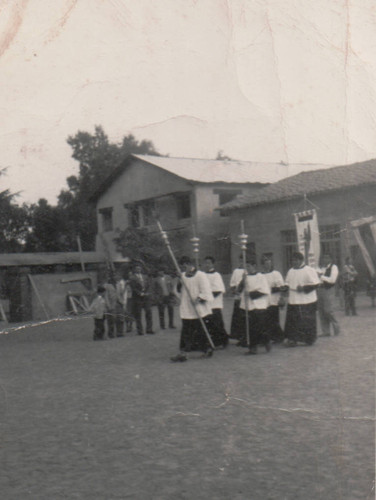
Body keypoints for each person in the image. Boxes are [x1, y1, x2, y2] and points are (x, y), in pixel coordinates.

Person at [170, 256, 214, 362]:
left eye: (185, 266)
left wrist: (199, 299)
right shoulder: (183, 276)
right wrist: (176, 282)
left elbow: (207, 291)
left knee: (201, 330)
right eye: (182, 267)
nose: (184, 268)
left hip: (198, 308)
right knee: (186, 330)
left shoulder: (200, 275)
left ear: (190, 264)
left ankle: (207, 349)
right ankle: (183, 353)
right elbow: (178, 292)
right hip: (187, 308)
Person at [284, 252, 320, 347]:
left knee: (307, 320)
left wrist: (303, 288)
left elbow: (316, 284)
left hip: (307, 300)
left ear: (301, 260)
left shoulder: (309, 270)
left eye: (296, 260)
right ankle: (293, 339)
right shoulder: (290, 271)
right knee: (293, 320)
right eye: (293, 260)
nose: (294, 262)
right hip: (294, 299)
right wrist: (285, 287)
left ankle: (309, 339)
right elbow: (287, 282)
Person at [237, 257, 271, 355]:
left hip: (258, 304)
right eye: (246, 266)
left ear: (254, 266)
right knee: (250, 327)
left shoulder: (261, 276)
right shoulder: (245, 277)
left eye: (248, 266)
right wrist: (242, 281)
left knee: (260, 326)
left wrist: (252, 294)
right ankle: (253, 347)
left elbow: (264, 290)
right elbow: (239, 290)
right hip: (247, 305)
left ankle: (266, 341)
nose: (247, 268)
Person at [203, 256, 229, 348]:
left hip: (215, 303)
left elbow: (218, 290)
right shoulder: (203, 275)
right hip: (206, 303)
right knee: (209, 323)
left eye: (209, 263)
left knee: (217, 323)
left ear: (213, 264)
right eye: (205, 263)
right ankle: (214, 341)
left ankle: (224, 340)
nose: (207, 265)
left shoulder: (216, 275)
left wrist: (208, 297)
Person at [261, 254, 286, 343]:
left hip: (274, 300)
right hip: (264, 301)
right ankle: (268, 337)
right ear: (262, 265)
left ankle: (279, 337)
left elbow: (281, 287)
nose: (267, 265)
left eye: (269, 263)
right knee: (265, 320)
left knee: (274, 319)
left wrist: (273, 290)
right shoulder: (261, 275)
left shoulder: (276, 274)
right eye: (265, 263)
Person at [317, 253, 340, 336]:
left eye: (327, 258)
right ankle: (325, 331)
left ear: (331, 259)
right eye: (323, 258)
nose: (325, 260)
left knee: (328, 310)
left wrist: (321, 277)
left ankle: (336, 327)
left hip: (328, 289)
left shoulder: (334, 267)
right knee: (321, 311)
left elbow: (332, 280)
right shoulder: (319, 268)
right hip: (319, 289)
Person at [129, 264, 154, 335]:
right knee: (138, 314)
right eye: (137, 269)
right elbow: (133, 288)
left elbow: (149, 285)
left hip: (146, 297)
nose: (138, 270)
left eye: (139, 269)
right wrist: (140, 293)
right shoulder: (132, 278)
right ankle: (140, 330)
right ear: (134, 270)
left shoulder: (145, 277)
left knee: (148, 312)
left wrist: (147, 292)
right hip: (138, 297)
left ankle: (149, 329)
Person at [229, 255, 245, 341]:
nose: (242, 262)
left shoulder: (247, 271)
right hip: (237, 296)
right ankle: (236, 334)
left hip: (244, 297)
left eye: (243, 260)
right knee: (237, 315)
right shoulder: (236, 271)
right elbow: (232, 283)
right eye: (240, 260)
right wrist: (234, 290)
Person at [114, 271, 127, 337]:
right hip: (117, 302)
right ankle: (118, 332)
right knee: (117, 317)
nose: (115, 277)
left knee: (121, 317)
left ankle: (121, 331)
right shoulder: (116, 284)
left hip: (121, 301)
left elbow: (123, 293)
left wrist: (124, 302)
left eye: (117, 276)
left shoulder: (122, 283)